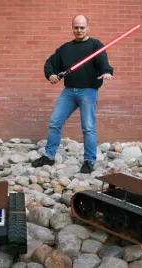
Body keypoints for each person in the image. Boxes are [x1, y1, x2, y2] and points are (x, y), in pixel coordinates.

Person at [32, 15, 116, 173]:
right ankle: (49, 157)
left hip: (88, 92)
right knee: (55, 122)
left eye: (82, 27)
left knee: (88, 128)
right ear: (72, 28)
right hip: (69, 92)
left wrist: (106, 72)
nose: (79, 30)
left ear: (88, 28)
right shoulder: (65, 48)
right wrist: (51, 74)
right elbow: (50, 63)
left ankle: (89, 161)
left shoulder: (95, 45)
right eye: (76, 27)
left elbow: (104, 63)